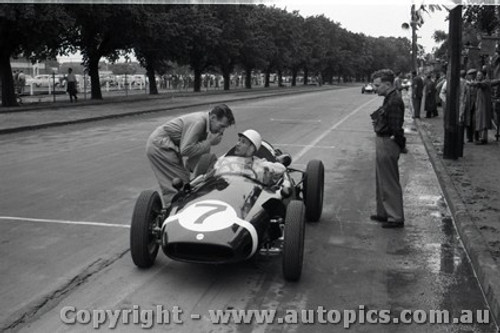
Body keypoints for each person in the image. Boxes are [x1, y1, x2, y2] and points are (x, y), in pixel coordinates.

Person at [146, 104, 235, 204]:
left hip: (164, 146)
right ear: (213, 117)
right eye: (221, 126)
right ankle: (173, 213)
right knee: (177, 188)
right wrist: (209, 142)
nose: (222, 131)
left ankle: (175, 208)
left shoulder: (206, 125)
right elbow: (186, 150)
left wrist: (188, 170)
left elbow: (198, 149)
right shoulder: (199, 122)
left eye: (225, 128)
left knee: (183, 184)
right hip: (160, 146)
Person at [369, 69, 405, 228]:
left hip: (388, 142)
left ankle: (395, 217)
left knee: (389, 181)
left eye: (377, 85)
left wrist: (399, 144)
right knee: (382, 180)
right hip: (384, 141)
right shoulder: (390, 99)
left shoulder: (394, 101)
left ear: (388, 84)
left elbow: (396, 128)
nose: (375, 88)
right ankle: (384, 213)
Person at [213, 129, 286, 185]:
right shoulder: (226, 159)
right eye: (239, 140)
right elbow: (213, 170)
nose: (238, 144)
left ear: (252, 148)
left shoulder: (258, 163)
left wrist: (267, 169)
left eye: (243, 142)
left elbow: (281, 168)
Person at [469, 70, 500, 144]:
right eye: (477, 75)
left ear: (483, 75)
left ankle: (483, 139)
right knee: (479, 121)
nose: (477, 76)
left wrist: (472, 83)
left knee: (483, 121)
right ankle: (480, 138)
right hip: (479, 105)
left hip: (483, 106)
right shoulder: (485, 82)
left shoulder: (485, 82)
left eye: (479, 75)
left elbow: (479, 84)